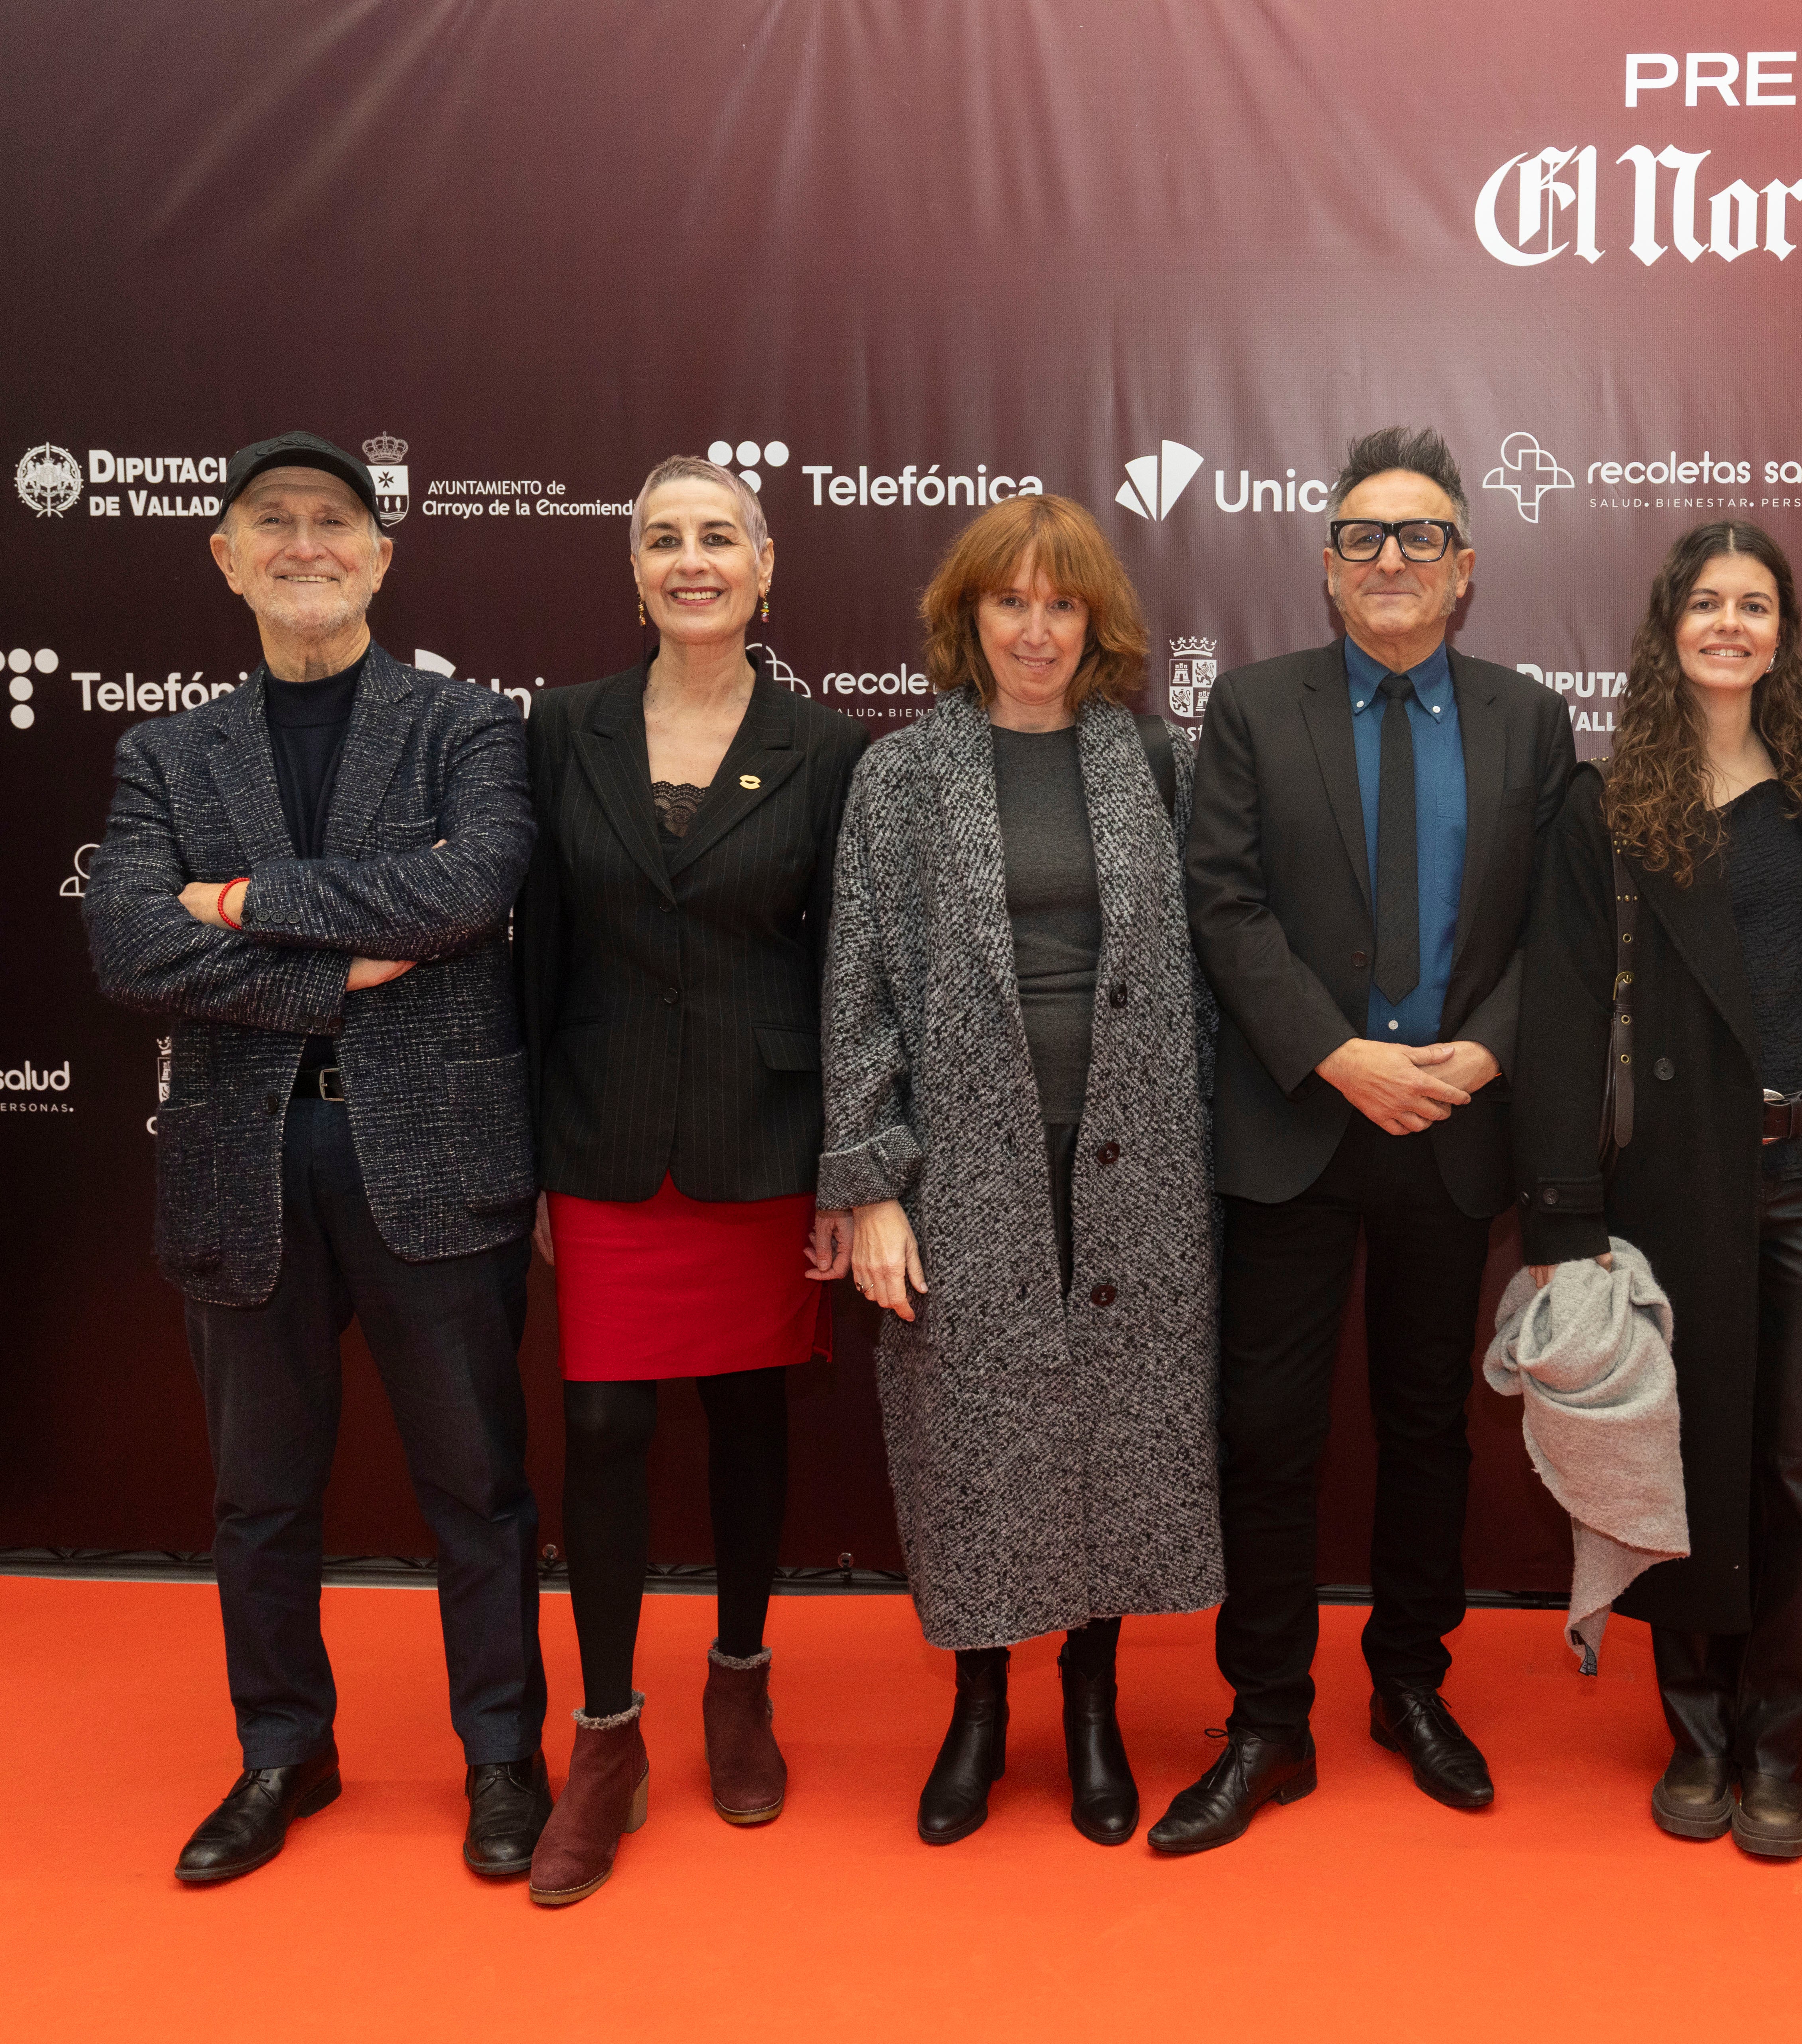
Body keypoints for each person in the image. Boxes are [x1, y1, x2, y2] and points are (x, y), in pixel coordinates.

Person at [83, 431, 546, 1884]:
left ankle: (502, 1758)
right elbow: (130, 942)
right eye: (271, 522)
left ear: (381, 556)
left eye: (333, 522)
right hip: (241, 1156)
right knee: (259, 1492)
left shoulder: (465, 725)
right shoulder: (162, 749)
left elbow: (467, 888)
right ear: (224, 558)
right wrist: (337, 970)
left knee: (476, 1482)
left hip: (436, 1155)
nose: (304, 544)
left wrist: (237, 900)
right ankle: (284, 1749)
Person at [1165, 426, 1577, 1853]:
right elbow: (1219, 902)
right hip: (1298, 1122)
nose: (1387, 560)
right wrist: (1338, 1057)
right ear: (1325, 570)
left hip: (1454, 1129)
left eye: (1417, 539)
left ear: (1464, 571)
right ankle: (1266, 1715)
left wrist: (1491, 1048)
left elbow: (1556, 926)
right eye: (1360, 538)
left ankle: (1410, 1679)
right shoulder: (1252, 711)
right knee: (1268, 1434)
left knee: (1426, 1430)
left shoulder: (1528, 720)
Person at [821, 493, 1223, 1849]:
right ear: (967, 618)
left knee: (1111, 1426)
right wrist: (870, 1181)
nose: (1036, 630)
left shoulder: (1155, 767)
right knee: (975, 1440)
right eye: (1011, 602)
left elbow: (1211, 979)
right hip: (963, 1165)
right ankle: (979, 1707)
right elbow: (860, 988)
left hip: (1136, 1162)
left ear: (1096, 622)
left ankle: (1094, 1704)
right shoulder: (900, 777)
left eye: (1062, 604)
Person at [512, 456, 870, 1905]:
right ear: (635, 572)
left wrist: (851, 1163)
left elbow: (854, 970)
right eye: (663, 538)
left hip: (761, 1138)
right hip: (601, 1133)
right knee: (599, 1429)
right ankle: (604, 1736)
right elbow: (537, 947)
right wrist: (527, 1152)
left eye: (718, 535)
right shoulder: (559, 729)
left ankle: (739, 1680)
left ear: (766, 563)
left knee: (743, 1420)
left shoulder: (828, 746)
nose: (692, 559)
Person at [1514, 520, 1802, 1861]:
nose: (1731, 624)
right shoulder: (1606, 805)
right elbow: (1557, 1014)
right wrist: (1559, 1212)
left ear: (1785, 633)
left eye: (1758, 605)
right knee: (1682, 1458)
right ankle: (1695, 1729)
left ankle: (1780, 1744)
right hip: (1673, 1179)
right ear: (1668, 626)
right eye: (1708, 603)